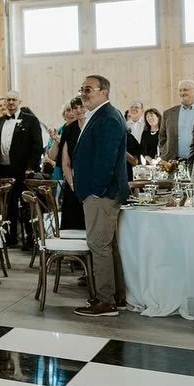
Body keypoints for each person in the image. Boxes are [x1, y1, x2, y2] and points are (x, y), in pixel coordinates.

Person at [72, 75, 129, 318]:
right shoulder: (100, 114)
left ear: (104, 91)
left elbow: (106, 159)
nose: (83, 93)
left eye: (88, 89)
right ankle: (116, 297)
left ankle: (105, 302)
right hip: (99, 193)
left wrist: (95, 190)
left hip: (102, 194)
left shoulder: (108, 117)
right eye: (82, 89)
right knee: (107, 245)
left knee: (99, 246)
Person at [0, 90, 44, 248]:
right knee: (8, 206)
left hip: (23, 170)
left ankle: (30, 239)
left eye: (14, 99)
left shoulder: (30, 120)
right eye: (8, 100)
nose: (11, 103)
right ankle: (10, 238)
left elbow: (37, 146)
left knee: (26, 205)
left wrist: (30, 167)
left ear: (19, 101)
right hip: (3, 170)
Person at [158, 79, 194, 162]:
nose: (182, 93)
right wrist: (164, 152)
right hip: (173, 161)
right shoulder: (168, 113)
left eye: (185, 90)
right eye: (180, 90)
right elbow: (162, 137)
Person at [58, 98, 87, 230]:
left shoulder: (94, 127)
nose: (79, 110)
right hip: (72, 182)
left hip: (93, 184)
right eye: (75, 108)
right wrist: (73, 184)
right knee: (72, 224)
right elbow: (65, 163)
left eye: (82, 107)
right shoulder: (69, 130)